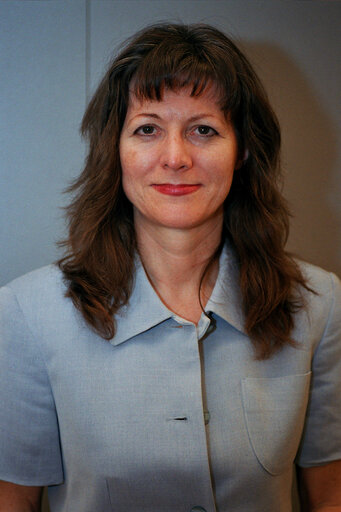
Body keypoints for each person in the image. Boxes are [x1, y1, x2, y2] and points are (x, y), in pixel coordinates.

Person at [0, 22, 340, 512]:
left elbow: (331, 496)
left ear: (242, 150)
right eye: (147, 129)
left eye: (204, 130)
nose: (175, 157)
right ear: (115, 151)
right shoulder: (28, 314)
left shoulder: (321, 305)